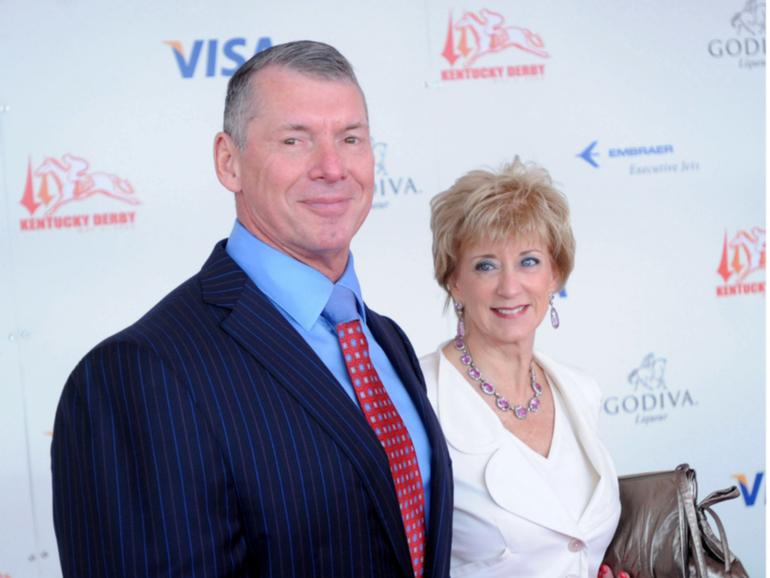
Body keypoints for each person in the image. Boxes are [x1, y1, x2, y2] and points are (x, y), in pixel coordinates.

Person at [51, 40, 453, 578]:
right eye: (295, 140)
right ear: (229, 161)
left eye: (350, 138)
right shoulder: (138, 373)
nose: (332, 167)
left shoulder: (386, 342)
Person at [420, 158, 622, 578]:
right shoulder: (419, 397)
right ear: (454, 281)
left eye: (529, 261)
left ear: (555, 274)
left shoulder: (579, 392)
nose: (510, 287)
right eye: (486, 265)